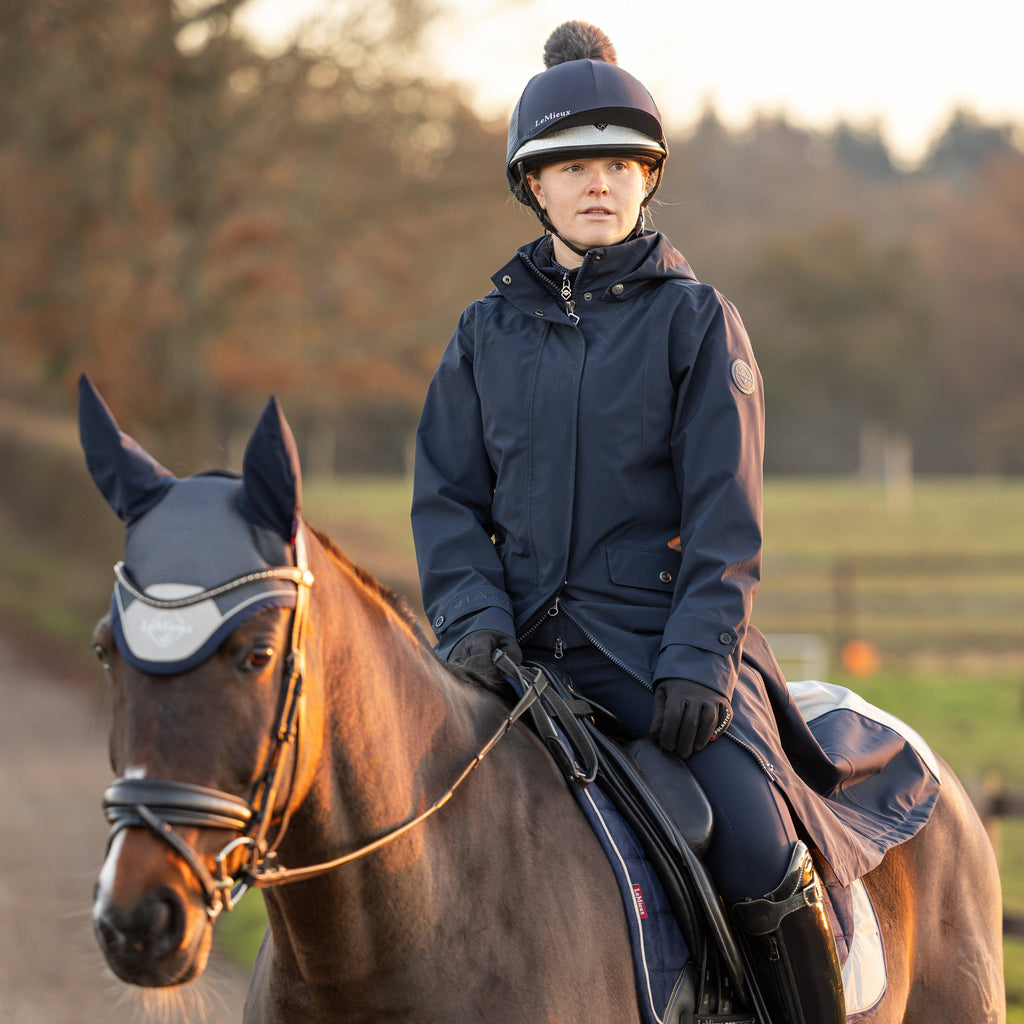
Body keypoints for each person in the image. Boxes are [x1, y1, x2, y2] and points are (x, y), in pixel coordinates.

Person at [411, 21, 935, 1023]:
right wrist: (469, 614)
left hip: (663, 663)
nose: (596, 183)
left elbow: (725, 519)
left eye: (618, 163)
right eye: (571, 166)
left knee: (755, 845)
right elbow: (444, 500)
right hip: (510, 662)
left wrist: (697, 660)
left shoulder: (696, 323)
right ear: (534, 185)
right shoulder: (481, 335)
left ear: (648, 177)